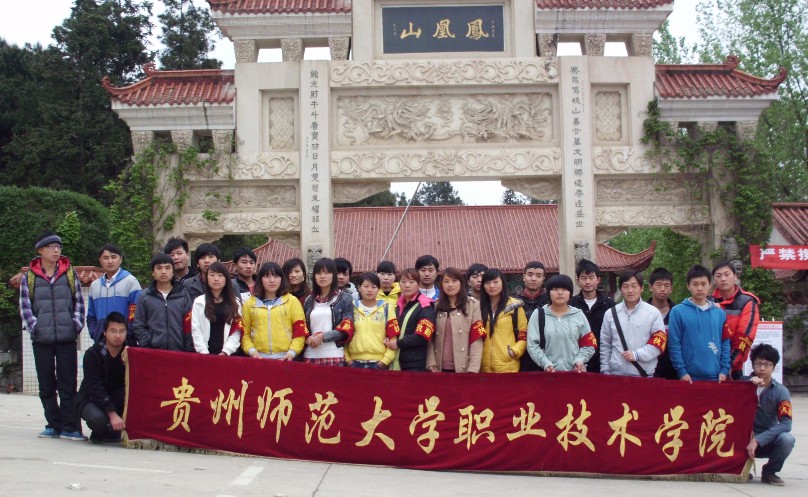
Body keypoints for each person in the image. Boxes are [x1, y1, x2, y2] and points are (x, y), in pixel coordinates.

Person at [19, 231, 86, 440]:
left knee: (68, 383)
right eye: (51, 247)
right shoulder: (30, 277)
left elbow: (79, 303)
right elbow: (25, 307)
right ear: (40, 250)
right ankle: (53, 424)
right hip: (42, 339)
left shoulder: (69, 273)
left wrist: (75, 325)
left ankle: (69, 426)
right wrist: (35, 327)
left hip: (66, 337)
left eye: (58, 247)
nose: (56, 251)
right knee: (46, 384)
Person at [668, 265, 731, 383]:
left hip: (716, 377)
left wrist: (724, 369)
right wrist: (681, 371)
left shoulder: (719, 313)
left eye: (703, 284)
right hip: (688, 378)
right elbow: (674, 343)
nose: (700, 288)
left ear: (710, 285)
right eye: (695, 284)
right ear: (688, 286)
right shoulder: (678, 312)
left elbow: (725, 342)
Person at [600, 270, 667, 377]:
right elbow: (605, 345)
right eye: (625, 286)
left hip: (643, 375)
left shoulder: (653, 313)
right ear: (621, 289)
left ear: (642, 288)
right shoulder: (610, 314)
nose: (630, 290)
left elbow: (659, 344)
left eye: (634, 286)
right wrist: (605, 370)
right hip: (615, 375)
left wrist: (637, 355)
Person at [75, 312, 127, 444]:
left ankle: (113, 430)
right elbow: (95, 387)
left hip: (116, 398)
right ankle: (100, 431)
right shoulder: (92, 354)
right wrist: (112, 415)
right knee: (98, 419)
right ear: (105, 332)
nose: (118, 336)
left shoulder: (129, 353)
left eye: (122, 331)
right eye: (113, 331)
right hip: (92, 399)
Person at [746, 344, 795, 486]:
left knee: (787, 439)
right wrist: (747, 386)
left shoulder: (781, 391)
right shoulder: (742, 384)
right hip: (743, 440)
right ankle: (740, 469)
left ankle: (769, 472)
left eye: (767, 364)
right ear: (752, 365)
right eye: (758, 364)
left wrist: (758, 439)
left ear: (774, 367)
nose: (762, 368)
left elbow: (786, 424)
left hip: (766, 439)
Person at [527, 274, 596, 372]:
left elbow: (589, 343)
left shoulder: (578, 315)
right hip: (547, 373)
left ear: (570, 292)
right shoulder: (538, 314)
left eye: (564, 289)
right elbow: (532, 345)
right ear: (549, 292)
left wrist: (579, 360)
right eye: (555, 289)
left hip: (575, 372)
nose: (560, 293)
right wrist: (545, 363)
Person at [242, 262, 309, 360]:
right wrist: (252, 351)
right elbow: (244, 332)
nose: (272, 280)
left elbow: (300, 329)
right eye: (267, 276)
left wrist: (292, 352)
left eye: (276, 276)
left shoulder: (292, 301)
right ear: (260, 279)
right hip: (258, 358)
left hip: (286, 358)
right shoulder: (250, 304)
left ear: (282, 279)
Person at [428, 267, 485, 373]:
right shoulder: (436, 306)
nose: (450, 285)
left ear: (461, 283)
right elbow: (429, 338)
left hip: (463, 367)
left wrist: (473, 369)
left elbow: (477, 339)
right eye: (446, 281)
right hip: (438, 367)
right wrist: (431, 362)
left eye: (454, 281)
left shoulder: (473, 305)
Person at [132, 253, 194, 352]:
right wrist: (146, 345)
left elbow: (189, 324)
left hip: (179, 351)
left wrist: (188, 349)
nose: (163, 272)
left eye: (168, 268)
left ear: (173, 272)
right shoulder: (145, 296)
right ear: (153, 272)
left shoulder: (183, 295)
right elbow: (139, 324)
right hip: (153, 352)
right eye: (159, 268)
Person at [712, 261, 761, 380]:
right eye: (718, 276)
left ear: (735, 277)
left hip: (732, 369)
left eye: (727, 274)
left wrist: (727, 365)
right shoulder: (708, 301)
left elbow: (745, 336)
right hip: (708, 366)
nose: (723, 279)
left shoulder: (747, 301)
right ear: (713, 280)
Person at [86, 243, 141, 345]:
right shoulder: (95, 285)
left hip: (126, 341)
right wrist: (95, 333)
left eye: (114, 257)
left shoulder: (130, 282)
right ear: (100, 260)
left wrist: (127, 334)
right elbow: (91, 316)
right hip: (101, 341)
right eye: (106, 258)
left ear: (120, 259)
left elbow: (136, 314)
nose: (110, 261)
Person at [302, 258, 354, 366]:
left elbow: (347, 328)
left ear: (333, 275)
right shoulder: (308, 300)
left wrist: (323, 337)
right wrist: (307, 338)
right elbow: (303, 326)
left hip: (334, 355)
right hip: (310, 355)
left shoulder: (345, 298)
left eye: (326, 273)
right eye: (319, 273)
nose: (322, 276)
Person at [345, 273, 399, 369]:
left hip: (379, 363)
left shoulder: (387, 308)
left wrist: (385, 361)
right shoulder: (350, 307)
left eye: (374, 287)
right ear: (359, 288)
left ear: (379, 289)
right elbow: (344, 335)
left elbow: (393, 337)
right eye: (366, 286)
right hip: (354, 363)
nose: (369, 290)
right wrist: (348, 360)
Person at [569, 259, 614, 373]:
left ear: (598, 279)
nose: (588, 282)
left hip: (602, 362)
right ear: (577, 280)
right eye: (584, 278)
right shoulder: (570, 305)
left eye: (591, 277)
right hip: (576, 362)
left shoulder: (610, 305)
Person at [386, 268, 435, 371]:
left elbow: (422, 336)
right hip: (395, 359)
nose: (407, 285)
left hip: (415, 363)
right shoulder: (398, 304)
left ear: (418, 284)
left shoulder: (425, 305)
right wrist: (388, 338)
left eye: (411, 282)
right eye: (403, 282)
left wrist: (398, 343)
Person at [479, 268, 527, 373]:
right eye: (488, 283)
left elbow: (523, 335)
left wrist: (514, 351)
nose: (492, 286)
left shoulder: (515, 306)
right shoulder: (478, 307)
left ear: (502, 283)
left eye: (495, 282)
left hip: (508, 366)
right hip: (483, 368)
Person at [190, 262, 244, 356]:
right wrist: (204, 353)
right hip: (204, 354)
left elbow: (237, 331)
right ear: (206, 278)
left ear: (226, 278)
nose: (216, 279)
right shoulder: (199, 302)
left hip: (228, 355)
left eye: (220, 275)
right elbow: (196, 330)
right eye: (212, 275)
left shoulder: (235, 303)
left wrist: (225, 352)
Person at [513, 261, 550, 371]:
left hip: (545, 351)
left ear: (543, 279)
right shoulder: (514, 301)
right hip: (519, 350)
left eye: (538, 276)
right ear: (523, 277)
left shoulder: (550, 300)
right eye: (530, 275)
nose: (533, 279)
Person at [647, 267, 678, 379]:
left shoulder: (678, 312)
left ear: (671, 289)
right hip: (648, 369)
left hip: (673, 369)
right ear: (650, 287)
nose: (662, 289)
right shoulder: (642, 312)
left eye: (666, 285)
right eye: (658, 285)